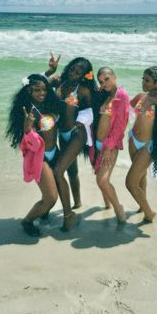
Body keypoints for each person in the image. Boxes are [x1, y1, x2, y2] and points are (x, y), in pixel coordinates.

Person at [6, 74, 61, 236]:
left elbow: (45, 83)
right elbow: (34, 145)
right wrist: (28, 129)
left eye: (44, 89)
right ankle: (27, 221)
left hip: (54, 152)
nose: (41, 93)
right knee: (51, 197)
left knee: (53, 190)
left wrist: (50, 73)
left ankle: (43, 213)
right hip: (40, 158)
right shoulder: (27, 112)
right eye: (36, 90)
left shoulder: (47, 103)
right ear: (28, 90)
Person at [48, 57, 96, 231]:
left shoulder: (83, 90)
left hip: (77, 134)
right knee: (71, 170)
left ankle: (69, 216)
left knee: (58, 170)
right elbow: (36, 86)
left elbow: (92, 110)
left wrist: (82, 121)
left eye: (78, 72)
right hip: (62, 133)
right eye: (72, 69)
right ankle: (77, 202)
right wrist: (50, 72)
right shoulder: (59, 82)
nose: (74, 73)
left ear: (84, 75)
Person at [126, 66, 157, 222]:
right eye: (143, 79)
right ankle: (142, 206)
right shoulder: (141, 96)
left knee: (130, 182)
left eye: (147, 80)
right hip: (133, 140)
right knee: (140, 176)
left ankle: (149, 211)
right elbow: (124, 108)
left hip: (149, 145)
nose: (143, 82)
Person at [89, 67, 130, 223]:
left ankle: (118, 209)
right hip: (97, 144)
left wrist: (108, 147)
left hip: (109, 145)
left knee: (103, 180)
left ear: (114, 76)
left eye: (107, 79)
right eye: (101, 81)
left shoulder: (122, 96)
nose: (104, 83)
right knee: (100, 177)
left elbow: (120, 126)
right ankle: (107, 206)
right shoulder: (105, 94)